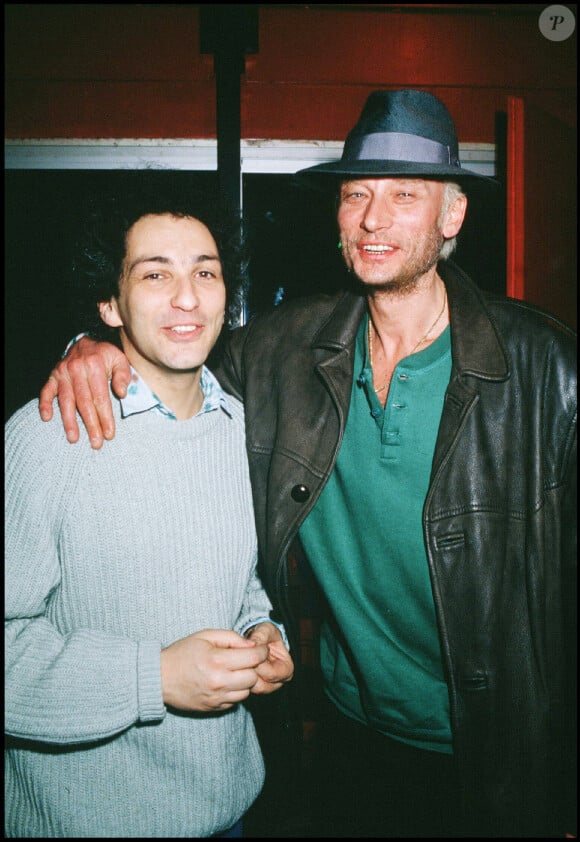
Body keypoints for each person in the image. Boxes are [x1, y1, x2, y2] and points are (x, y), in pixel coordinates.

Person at [37, 90, 576, 838]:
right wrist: (86, 350)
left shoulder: (548, 368)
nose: (373, 218)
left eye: (404, 195)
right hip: (346, 740)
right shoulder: (283, 350)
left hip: (500, 751)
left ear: (451, 217)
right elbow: (171, 350)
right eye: (357, 193)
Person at [5, 186, 294, 839]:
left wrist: (260, 631)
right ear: (110, 303)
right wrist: (155, 676)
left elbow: (236, 581)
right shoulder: (49, 434)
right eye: (155, 273)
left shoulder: (242, 430)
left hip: (230, 810)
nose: (187, 296)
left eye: (206, 272)